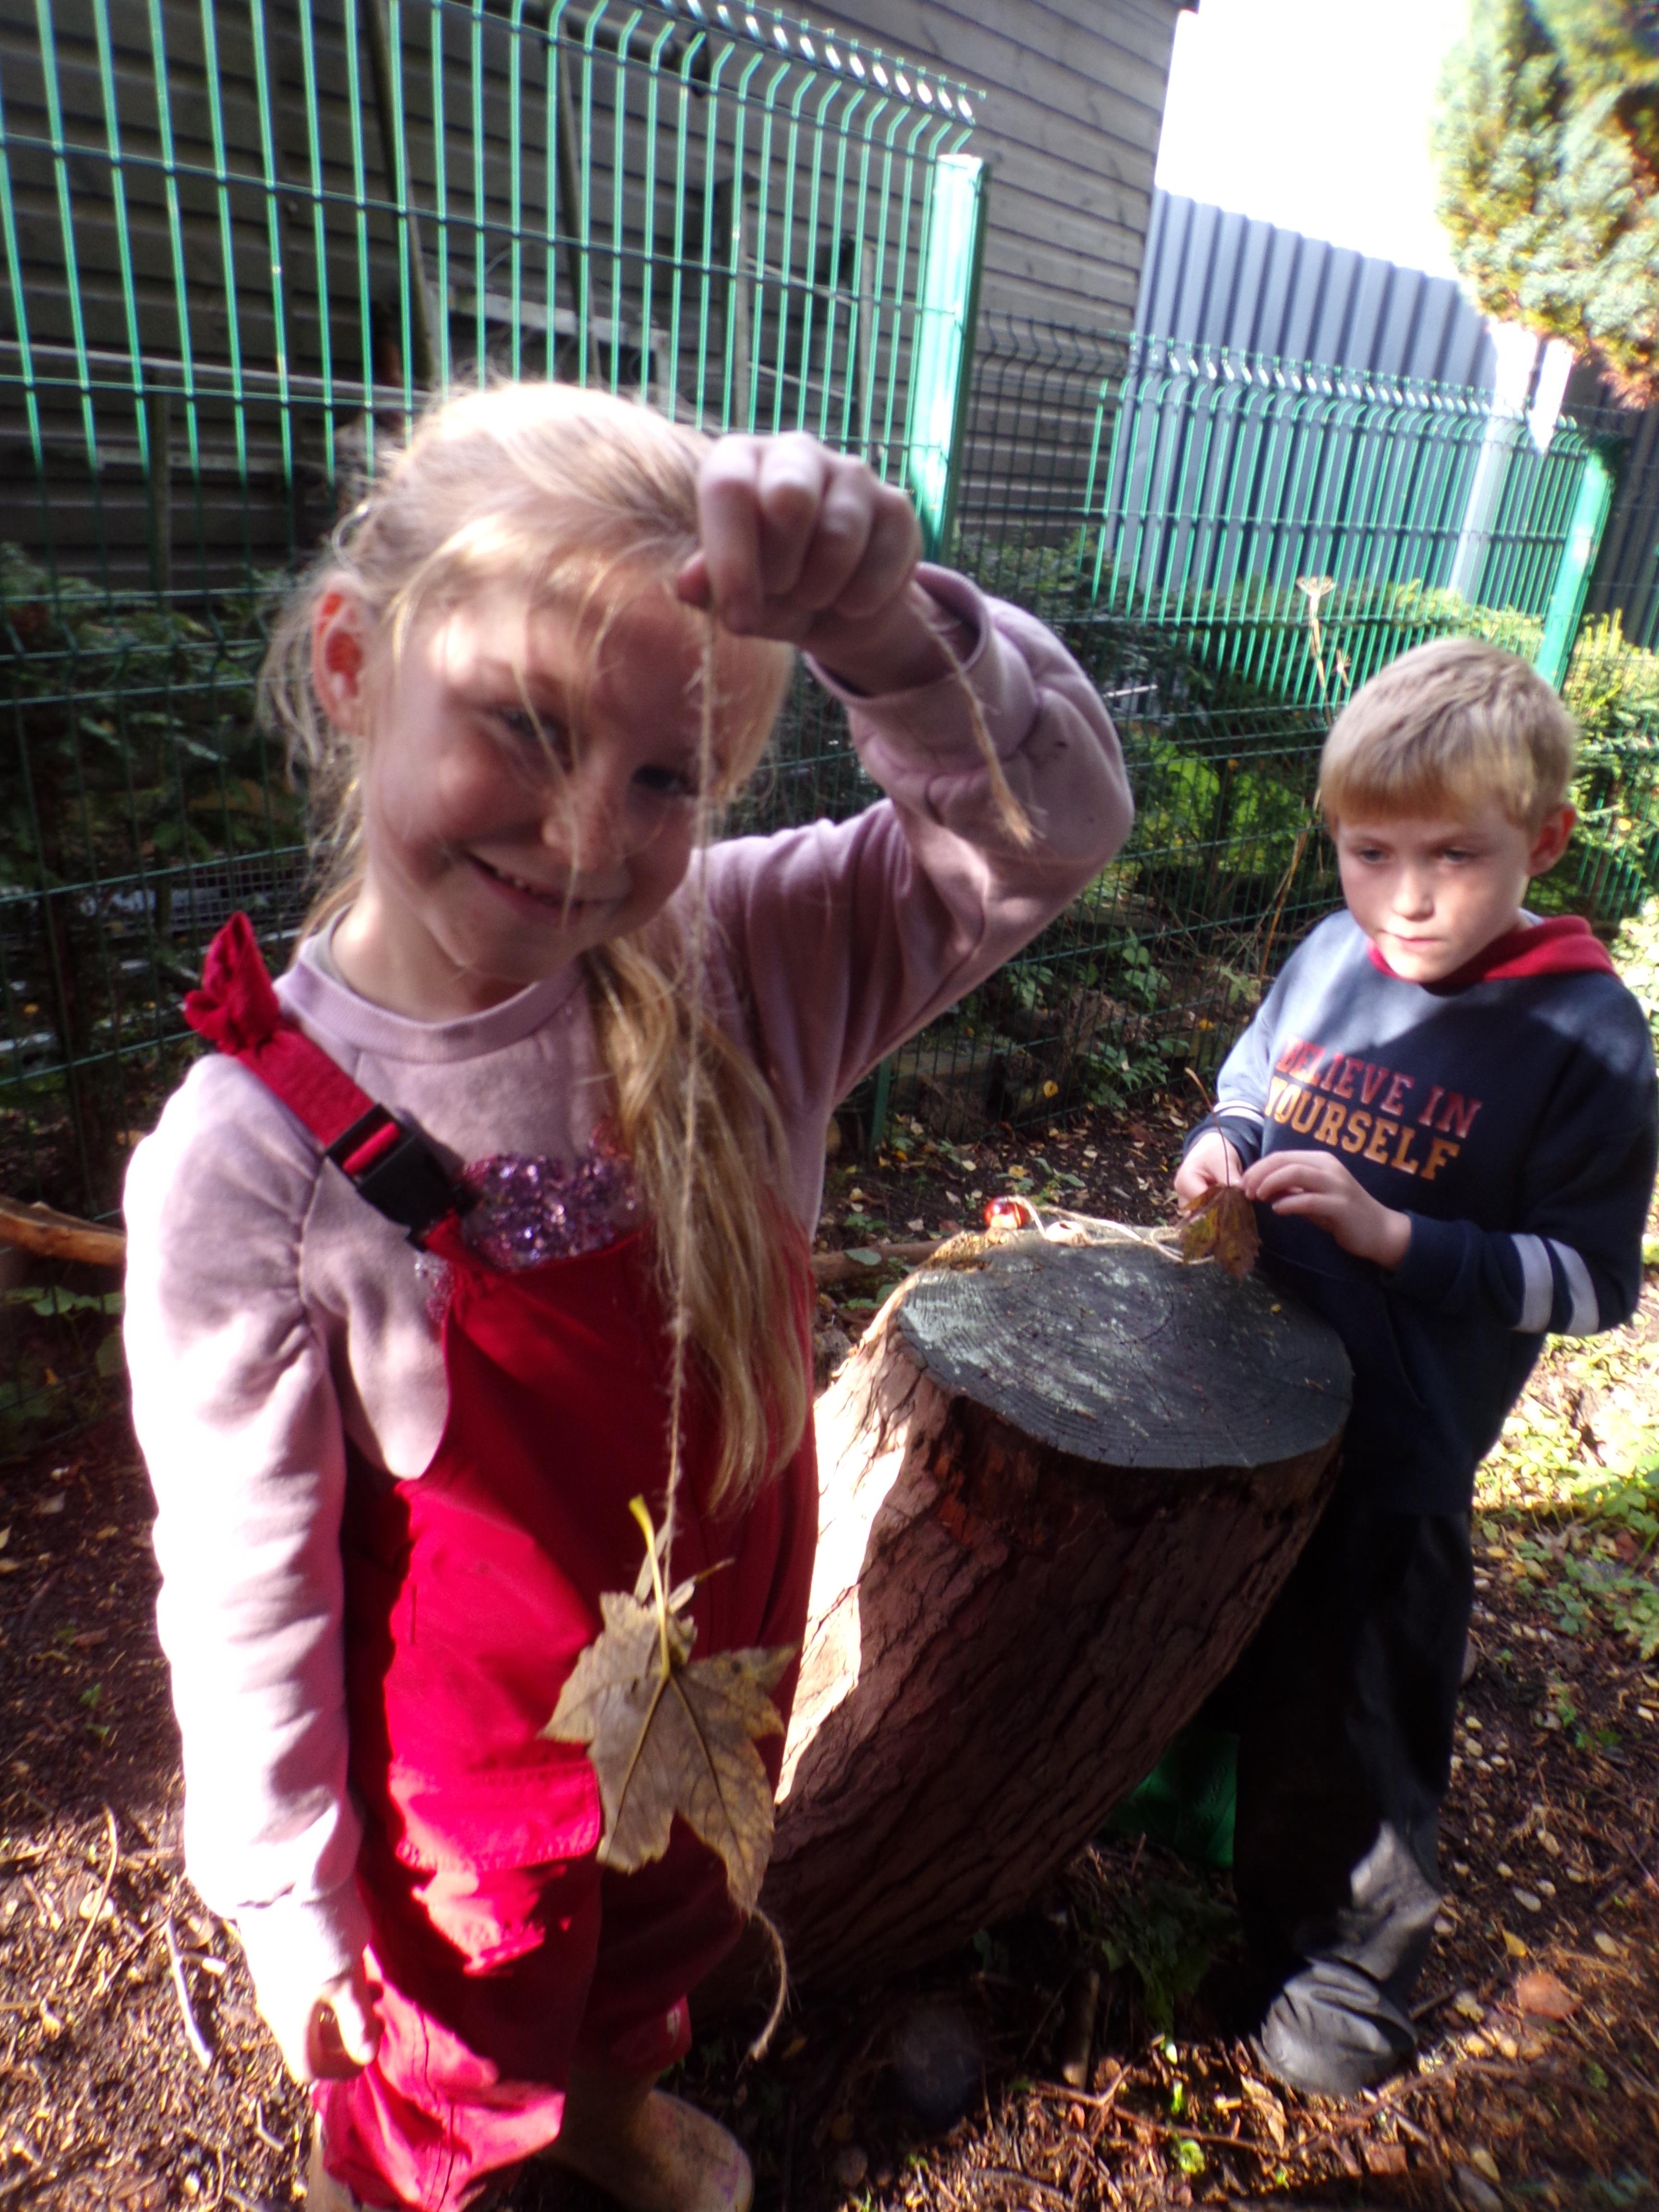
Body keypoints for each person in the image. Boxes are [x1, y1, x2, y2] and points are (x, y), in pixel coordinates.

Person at [123, 381, 1133, 2212]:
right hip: (462, 1812)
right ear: (352, 664)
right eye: (525, 725)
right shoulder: (252, 1159)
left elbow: (1047, 832)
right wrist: (284, 1886)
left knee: (659, 1933)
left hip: (707, 1697)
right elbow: (244, 1581)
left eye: (668, 776)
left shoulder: (743, 960)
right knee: (455, 2053)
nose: (592, 833)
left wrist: (894, 642)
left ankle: (607, 2106)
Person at [1175, 637, 1657, 2099]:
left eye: (1456, 855)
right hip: (1244, 1408)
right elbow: (1256, 1080)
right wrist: (1224, 1146)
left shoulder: (1585, 1036)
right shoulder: (1336, 953)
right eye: (1370, 852)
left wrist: (1400, 1239)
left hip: (1395, 1457)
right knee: (1220, 1651)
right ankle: (1204, 1851)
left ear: (1545, 842)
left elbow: (1592, 1285)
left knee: (1360, 1718)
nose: (1406, 896)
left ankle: (1344, 1981)